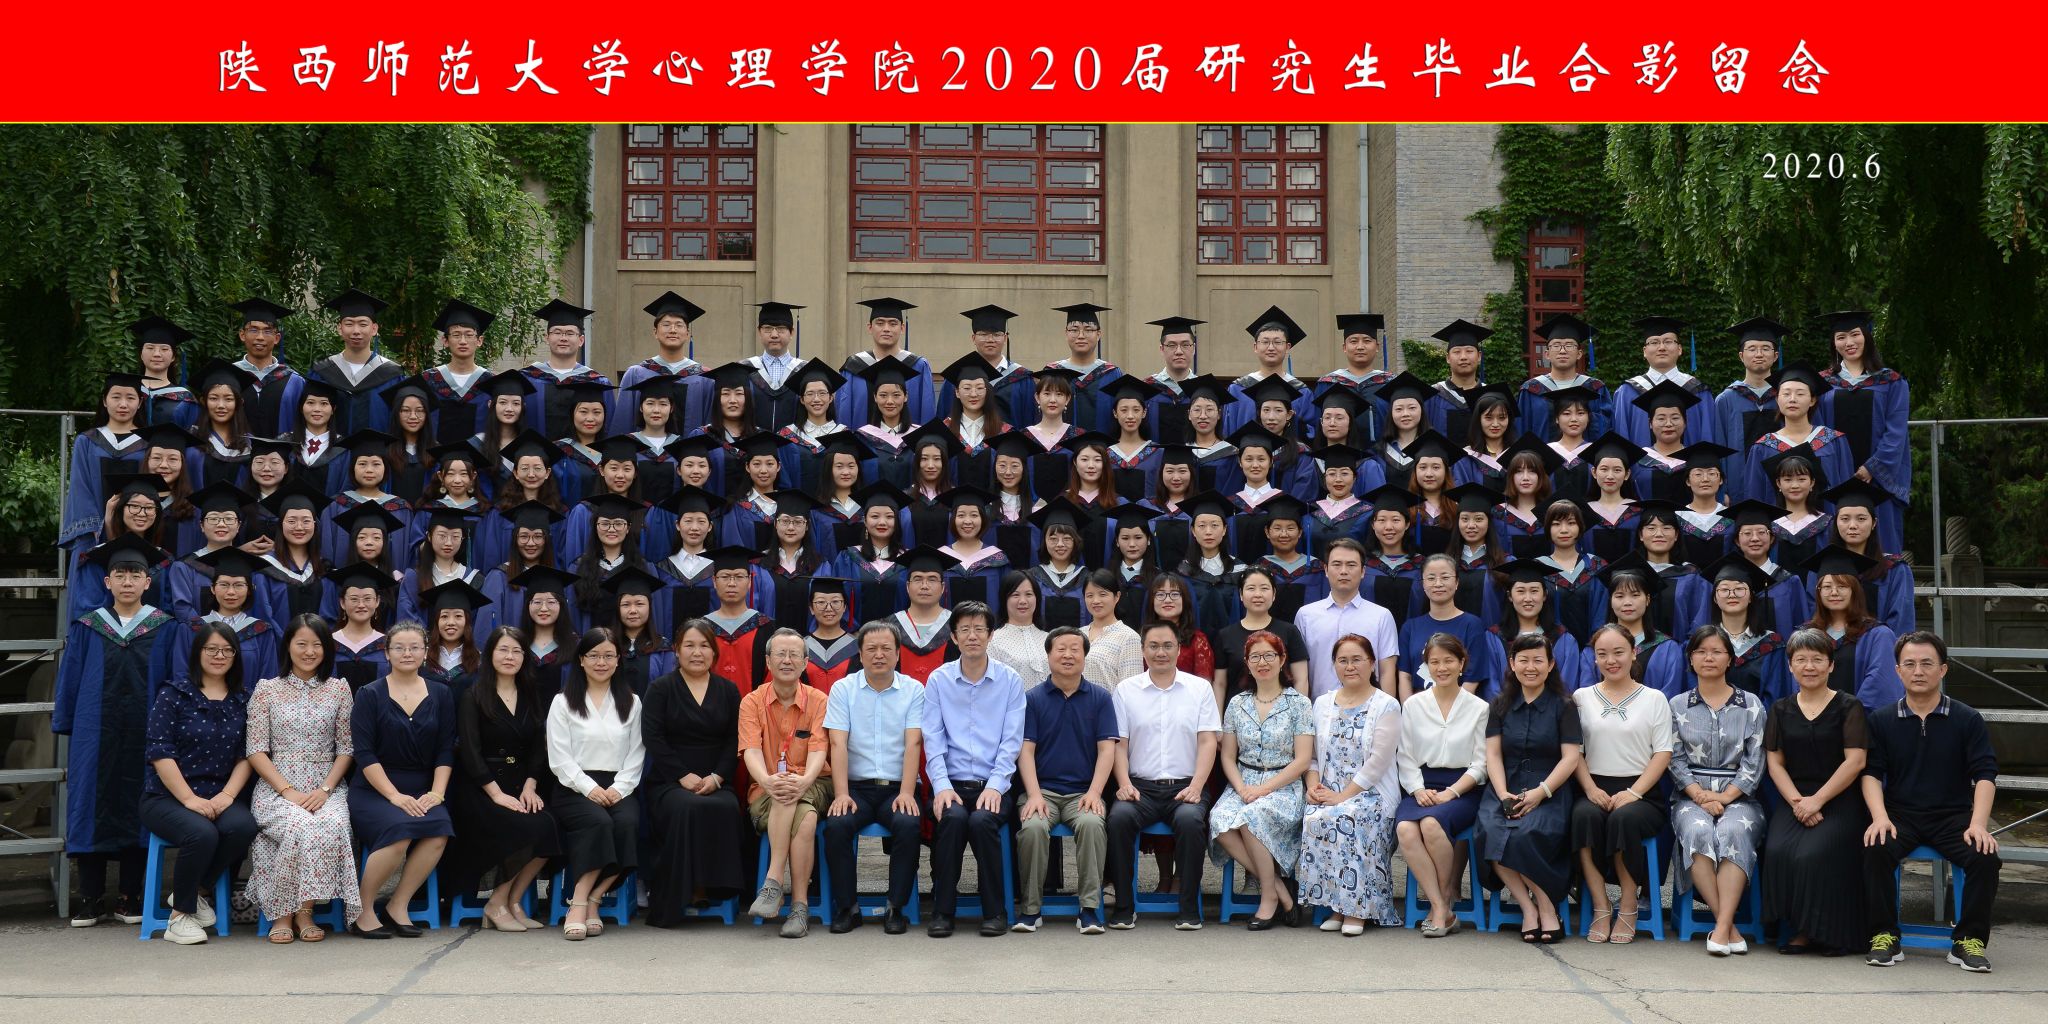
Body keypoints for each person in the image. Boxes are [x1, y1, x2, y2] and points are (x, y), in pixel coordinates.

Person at [55, 535, 179, 927]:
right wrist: (67, 722)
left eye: (135, 575)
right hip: (94, 731)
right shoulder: (88, 626)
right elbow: (70, 678)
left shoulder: (165, 627)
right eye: (120, 575)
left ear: (147, 582)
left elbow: (174, 681)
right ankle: (89, 896)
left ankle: (130, 896)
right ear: (107, 582)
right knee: (89, 804)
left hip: (146, 731)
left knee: (137, 803)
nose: (127, 581)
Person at [1860, 631, 2001, 972]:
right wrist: (1879, 817)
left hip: (1953, 817)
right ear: (1898, 671)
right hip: (1901, 815)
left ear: (1943, 669)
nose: (1918, 671)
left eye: (1927, 663)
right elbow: (1871, 774)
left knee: (1985, 856)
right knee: (1875, 847)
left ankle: (1968, 940)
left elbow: (1985, 774)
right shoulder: (1881, 720)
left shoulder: (1966, 718)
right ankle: (1884, 935)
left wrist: (1978, 825)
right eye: (1909, 664)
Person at [138, 620, 258, 944]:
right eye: (211, 649)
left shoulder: (243, 699)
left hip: (219, 794)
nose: (219, 656)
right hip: (166, 796)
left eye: (227, 650)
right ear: (198, 652)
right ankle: (178, 919)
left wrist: (228, 795)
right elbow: (160, 752)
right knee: (202, 833)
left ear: (235, 656)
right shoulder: (174, 694)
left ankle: (195, 892)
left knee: (243, 827)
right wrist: (189, 800)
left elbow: (247, 755)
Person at [245, 614, 360, 943]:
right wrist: (287, 791)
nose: (310, 652)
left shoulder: (338, 690)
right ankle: (284, 913)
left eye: (317, 645)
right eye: (302, 644)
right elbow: (255, 750)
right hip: (276, 787)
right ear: (288, 647)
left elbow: (346, 749)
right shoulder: (267, 690)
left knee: (332, 823)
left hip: (327, 785)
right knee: (299, 824)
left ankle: (304, 910)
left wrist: (325, 790)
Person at [1104, 620, 1221, 930]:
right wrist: (1123, 783)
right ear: (1143, 651)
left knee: (1190, 821)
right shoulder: (1126, 690)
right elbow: (1119, 744)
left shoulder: (1199, 689)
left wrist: (1197, 786)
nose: (1160, 652)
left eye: (1167, 646)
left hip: (1186, 785)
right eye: (1153, 646)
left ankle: (1188, 909)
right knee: (1118, 819)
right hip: (1139, 787)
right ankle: (1124, 908)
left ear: (1178, 649)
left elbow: (1208, 741)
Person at [921, 602, 1028, 937]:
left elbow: (1011, 741)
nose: (972, 636)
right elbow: (932, 739)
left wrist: (995, 786)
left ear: (990, 635)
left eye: (979, 629)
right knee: (952, 819)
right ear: (953, 637)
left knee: (983, 822)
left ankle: (995, 911)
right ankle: (943, 911)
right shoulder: (938, 680)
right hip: (951, 783)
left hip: (993, 784)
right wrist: (941, 786)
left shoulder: (1010, 680)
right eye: (964, 629)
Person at [1761, 628, 1870, 956]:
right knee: (1776, 850)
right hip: (1795, 798)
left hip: (1839, 798)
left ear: (1831, 665)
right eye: (1801, 659)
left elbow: (1856, 761)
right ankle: (1797, 927)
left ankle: (1828, 933)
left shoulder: (1848, 706)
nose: (1809, 666)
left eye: (1817, 659)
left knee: (1814, 854)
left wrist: (1818, 800)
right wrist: (1798, 802)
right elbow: (1775, 762)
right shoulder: (1780, 709)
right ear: (1790, 666)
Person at [345, 622, 455, 939]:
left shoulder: (441, 693)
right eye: (399, 648)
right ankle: (363, 909)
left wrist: (436, 793)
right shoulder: (369, 694)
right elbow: (364, 754)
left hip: (422, 787)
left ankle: (398, 904)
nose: (407, 653)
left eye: (415, 647)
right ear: (387, 652)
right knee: (399, 831)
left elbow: (445, 749)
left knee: (439, 829)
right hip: (375, 789)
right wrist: (394, 796)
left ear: (425, 652)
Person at [1570, 623, 1677, 945]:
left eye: (1618, 652)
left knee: (1623, 819)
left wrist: (1634, 792)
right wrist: (1590, 789)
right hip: (1594, 786)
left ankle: (1628, 904)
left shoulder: (1654, 698)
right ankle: (1601, 905)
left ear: (1633, 653)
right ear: (1594, 658)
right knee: (1583, 816)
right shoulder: (1581, 697)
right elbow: (1574, 752)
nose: (1611, 660)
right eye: (1602, 654)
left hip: (1641, 791)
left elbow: (1663, 752)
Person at [446, 627, 557, 933]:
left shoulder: (531, 694)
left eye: (517, 651)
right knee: (525, 827)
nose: (510, 657)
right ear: (490, 654)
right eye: (503, 650)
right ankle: (495, 904)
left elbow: (538, 748)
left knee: (550, 826)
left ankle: (513, 901)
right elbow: (470, 751)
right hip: (481, 788)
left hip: (520, 784)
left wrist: (531, 785)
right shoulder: (473, 695)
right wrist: (495, 794)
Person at [1666, 624, 1768, 955]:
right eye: (1701, 651)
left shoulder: (1750, 705)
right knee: (1697, 831)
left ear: (1730, 659)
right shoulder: (1677, 705)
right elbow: (1674, 759)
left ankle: (1721, 927)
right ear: (1690, 659)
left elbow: (1755, 761)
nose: (1708, 658)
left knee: (1734, 830)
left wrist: (1724, 797)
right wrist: (1699, 796)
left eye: (1717, 651)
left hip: (1739, 798)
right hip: (1689, 797)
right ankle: (1728, 927)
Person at [1476, 632, 1583, 943]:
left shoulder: (1564, 706)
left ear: (1550, 665)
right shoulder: (1499, 704)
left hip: (1550, 789)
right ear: (1512, 664)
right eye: (1523, 660)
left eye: (1538, 660)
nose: (1530, 667)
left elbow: (1571, 758)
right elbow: (1493, 755)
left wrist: (1541, 792)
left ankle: (1547, 906)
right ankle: (1529, 908)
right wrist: (1502, 793)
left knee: (1526, 833)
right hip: (1506, 786)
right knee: (1490, 832)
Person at [640, 619, 747, 927]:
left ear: (714, 653)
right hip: (669, 781)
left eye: (704, 646)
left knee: (726, 806)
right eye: (689, 645)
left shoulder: (728, 690)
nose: (697, 653)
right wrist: (681, 775)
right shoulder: (661, 688)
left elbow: (734, 740)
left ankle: (712, 888)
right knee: (686, 806)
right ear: (676, 650)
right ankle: (680, 893)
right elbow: (653, 737)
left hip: (715, 779)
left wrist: (718, 777)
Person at [821, 621, 927, 934]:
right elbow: (837, 743)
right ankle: (848, 908)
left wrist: (906, 792)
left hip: (897, 788)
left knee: (908, 824)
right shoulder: (843, 689)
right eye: (871, 649)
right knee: (836, 826)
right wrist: (842, 794)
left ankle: (895, 907)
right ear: (860, 653)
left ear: (898, 653)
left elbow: (913, 743)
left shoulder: (913, 690)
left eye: (886, 649)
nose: (879, 655)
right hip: (856, 788)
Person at [1013, 627, 1119, 934]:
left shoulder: (1100, 698)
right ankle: (1031, 909)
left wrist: (1095, 792)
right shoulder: (1033, 699)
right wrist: (1034, 795)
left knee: (1092, 824)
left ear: (1085, 656)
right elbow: (1025, 751)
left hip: (1082, 793)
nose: (1068, 655)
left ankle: (1089, 909)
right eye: (1061, 649)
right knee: (1032, 828)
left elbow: (1107, 750)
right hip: (1042, 791)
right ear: (1048, 655)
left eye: (1075, 649)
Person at [1298, 633, 1403, 936]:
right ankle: (1336, 906)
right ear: (1334, 665)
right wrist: (1314, 787)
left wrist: (1342, 796)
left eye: (1357, 659)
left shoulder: (1387, 705)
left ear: (1372, 663)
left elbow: (1378, 762)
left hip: (1371, 794)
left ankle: (1358, 910)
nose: (1350, 666)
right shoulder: (1322, 703)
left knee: (1349, 816)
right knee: (1315, 816)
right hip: (1330, 790)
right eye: (1342, 660)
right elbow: (1312, 757)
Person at [1208, 631, 1312, 929]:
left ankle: (1268, 897)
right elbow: (1228, 756)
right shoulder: (1237, 703)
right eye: (1255, 657)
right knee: (1219, 819)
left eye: (1269, 655)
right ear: (1247, 663)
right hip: (1244, 781)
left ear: (1282, 659)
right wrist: (1242, 787)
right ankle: (1281, 890)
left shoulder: (1299, 703)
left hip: (1283, 785)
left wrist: (1264, 789)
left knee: (1251, 816)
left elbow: (1303, 760)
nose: (1262, 662)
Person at [546, 629, 647, 940]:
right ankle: (579, 903)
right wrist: (589, 788)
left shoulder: (632, 702)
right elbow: (559, 757)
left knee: (627, 824)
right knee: (598, 823)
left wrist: (619, 788)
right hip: (573, 787)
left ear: (618, 660)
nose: (601, 662)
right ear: (581, 660)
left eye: (608, 656)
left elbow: (637, 753)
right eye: (593, 656)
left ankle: (592, 898)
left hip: (619, 786)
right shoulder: (563, 702)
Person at [1395, 634, 1491, 937]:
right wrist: (1417, 789)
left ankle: (1445, 897)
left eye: (1449, 660)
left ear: (1462, 664)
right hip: (1422, 784)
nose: (1442, 667)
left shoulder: (1479, 708)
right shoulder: (1414, 705)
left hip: (1464, 788)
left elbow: (1481, 764)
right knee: (1406, 828)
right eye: (1434, 662)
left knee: (1431, 825)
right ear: (1427, 666)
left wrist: (1452, 792)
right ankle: (1441, 905)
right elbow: (1405, 755)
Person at [740, 629, 832, 938]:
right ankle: (799, 907)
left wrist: (804, 780)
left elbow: (819, 749)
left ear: (805, 663)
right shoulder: (752, 701)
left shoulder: (818, 700)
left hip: (814, 781)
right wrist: (767, 780)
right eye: (780, 654)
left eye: (794, 655)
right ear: (768, 661)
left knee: (790, 789)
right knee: (803, 816)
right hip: (766, 787)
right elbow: (751, 750)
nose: (787, 660)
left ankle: (773, 882)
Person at [1817, 310, 1911, 555]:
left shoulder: (1891, 382)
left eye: (1855, 334)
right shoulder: (1822, 383)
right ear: (1834, 343)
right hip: (1836, 478)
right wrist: (1834, 469)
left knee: (1881, 544)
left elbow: (1896, 432)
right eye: (1841, 337)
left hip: (1877, 480)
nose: (1849, 342)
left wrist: (1872, 468)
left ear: (1867, 337)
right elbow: (1817, 431)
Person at [1803, 546, 1906, 710]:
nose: (1834, 592)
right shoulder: (1805, 635)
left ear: (1855, 591)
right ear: (1818, 592)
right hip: (1811, 720)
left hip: (1860, 721)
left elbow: (1880, 685)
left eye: (1842, 586)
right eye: (1827, 587)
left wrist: (1851, 716)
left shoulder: (1878, 635)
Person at [1296, 538, 1400, 699]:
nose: (1344, 571)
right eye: (1337, 564)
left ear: (1363, 571)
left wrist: (1387, 710)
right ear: (1326, 569)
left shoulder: (1381, 616)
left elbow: (1387, 672)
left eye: (1351, 565)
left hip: (1370, 709)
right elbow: (1301, 675)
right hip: (1320, 708)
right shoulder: (1306, 615)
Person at [308, 289, 405, 436]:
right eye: (349, 324)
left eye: (363, 324)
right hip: (331, 450)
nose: (356, 331)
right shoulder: (322, 372)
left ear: (374, 329)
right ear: (340, 329)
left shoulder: (393, 375)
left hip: (376, 450)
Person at [1611, 317, 1718, 450]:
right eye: (1654, 342)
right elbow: (1621, 438)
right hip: (1641, 464)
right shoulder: (1627, 392)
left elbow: (1708, 437)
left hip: (1691, 463)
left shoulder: (1699, 391)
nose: (1661, 347)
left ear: (1679, 349)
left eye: (1668, 341)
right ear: (1644, 351)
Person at [1714, 317, 1786, 504]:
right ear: (1741, 356)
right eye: (1752, 348)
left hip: (1784, 488)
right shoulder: (1726, 400)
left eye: (1765, 348)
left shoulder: (1786, 397)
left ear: (1775, 356)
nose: (1759, 354)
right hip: (1738, 490)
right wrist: (1722, 490)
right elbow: (1718, 447)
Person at [1212, 567, 1310, 704]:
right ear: (1241, 594)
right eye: (1251, 588)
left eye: (1264, 588)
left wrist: (1300, 712)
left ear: (1274, 594)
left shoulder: (1289, 631)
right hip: (1238, 712)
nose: (1258, 594)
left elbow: (1301, 679)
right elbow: (1220, 683)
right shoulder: (1225, 635)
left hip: (1283, 713)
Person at [616, 291, 712, 431]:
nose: (673, 330)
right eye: (666, 324)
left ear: (687, 334)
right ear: (655, 332)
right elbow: (622, 424)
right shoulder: (635, 374)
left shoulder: (705, 378)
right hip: (643, 446)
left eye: (679, 325)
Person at [835, 297, 935, 428]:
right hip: (861, 441)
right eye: (880, 323)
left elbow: (927, 413)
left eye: (893, 323)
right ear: (870, 327)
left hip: (908, 440)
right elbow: (843, 415)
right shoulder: (853, 367)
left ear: (902, 328)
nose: (886, 329)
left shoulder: (918, 366)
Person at [519, 299, 610, 442]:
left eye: (569, 333)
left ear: (581, 340)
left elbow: (608, 428)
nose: (563, 338)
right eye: (557, 332)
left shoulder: (598, 381)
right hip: (536, 455)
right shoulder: (527, 379)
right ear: (547, 338)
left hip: (584, 455)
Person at [1518, 313, 1612, 443]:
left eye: (1569, 345)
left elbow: (1606, 429)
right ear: (1547, 354)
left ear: (1579, 354)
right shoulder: (1531, 390)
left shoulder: (1595, 388)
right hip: (1540, 455)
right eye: (1556, 345)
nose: (1562, 351)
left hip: (1587, 455)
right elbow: (1520, 431)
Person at [228, 296, 305, 438]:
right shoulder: (229, 376)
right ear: (242, 335)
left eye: (267, 331)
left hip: (282, 452)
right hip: (235, 451)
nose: (260, 337)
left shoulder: (294, 382)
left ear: (277, 338)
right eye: (253, 330)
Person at [1048, 302, 1125, 434]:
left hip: (1102, 446)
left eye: (1088, 330)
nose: (1081, 336)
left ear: (1098, 334)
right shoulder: (1053, 372)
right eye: (1074, 330)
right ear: (1066, 333)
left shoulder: (1112, 374)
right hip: (1060, 446)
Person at [740, 300, 810, 432]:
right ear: (759, 332)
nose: (774, 335)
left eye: (781, 329)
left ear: (792, 332)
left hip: (795, 442)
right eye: (767, 329)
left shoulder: (805, 370)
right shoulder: (744, 369)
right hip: (753, 442)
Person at [1424, 320, 1490, 440]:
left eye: (1469, 351)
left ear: (1479, 356)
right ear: (1448, 358)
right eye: (1457, 352)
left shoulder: (1491, 395)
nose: (1463, 357)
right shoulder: (1432, 396)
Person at [1081, 570, 1143, 690]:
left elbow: (1131, 689)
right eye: (1090, 595)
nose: (1096, 601)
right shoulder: (1077, 634)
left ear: (1117, 596)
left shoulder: (1129, 637)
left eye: (1102, 594)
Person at [990, 571, 1052, 683]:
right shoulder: (993, 641)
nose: (1023, 601)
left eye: (1028, 594)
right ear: (1004, 599)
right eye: (1015, 595)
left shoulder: (1050, 639)